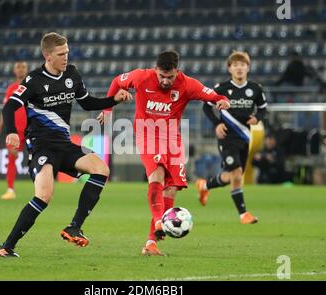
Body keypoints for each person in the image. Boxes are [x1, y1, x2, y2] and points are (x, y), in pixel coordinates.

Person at [0, 33, 132, 257]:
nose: (66, 57)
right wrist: (11, 132)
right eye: (61, 54)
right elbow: (9, 107)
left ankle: (74, 226)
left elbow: (87, 102)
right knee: (44, 196)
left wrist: (113, 100)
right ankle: (6, 246)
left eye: (67, 52)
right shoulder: (34, 80)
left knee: (101, 169)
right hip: (41, 146)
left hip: (64, 144)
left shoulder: (72, 74)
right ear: (47, 56)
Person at [98, 50, 230, 256]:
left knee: (172, 190)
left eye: (170, 77)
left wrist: (222, 100)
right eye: (162, 76)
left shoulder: (188, 84)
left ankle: (151, 243)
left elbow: (211, 95)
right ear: (156, 70)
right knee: (157, 175)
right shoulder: (141, 76)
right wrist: (107, 108)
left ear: (177, 71)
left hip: (172, 138)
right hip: (147, 134)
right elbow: (117, 82)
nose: (166, 80)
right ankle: (160, 221)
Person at [196, 51, 267, 224]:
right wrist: (216, 124)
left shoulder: (255, 89)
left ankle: (205, 185)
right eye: (235, 65)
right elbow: (206, 107)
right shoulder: (222, 88)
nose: (239, 68)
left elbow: (263, 108)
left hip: (245, 137)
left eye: (242, 65)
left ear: (248, 68)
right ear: (230, 68)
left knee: (233, 176)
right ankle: (243, 214)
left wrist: (257, 118)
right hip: (227, 137)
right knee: (235, 173)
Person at [0, 61, 29, 200]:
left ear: (27, 70)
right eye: (18, 67)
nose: (21, 69)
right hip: (15, 130)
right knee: (12, 157)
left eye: (23, 67)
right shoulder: (11, 88)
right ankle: (10, 189)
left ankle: (41, 189)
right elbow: (5, 111)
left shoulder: (32, 86)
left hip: (32, 129)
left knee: (38, 158)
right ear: (14, 71)